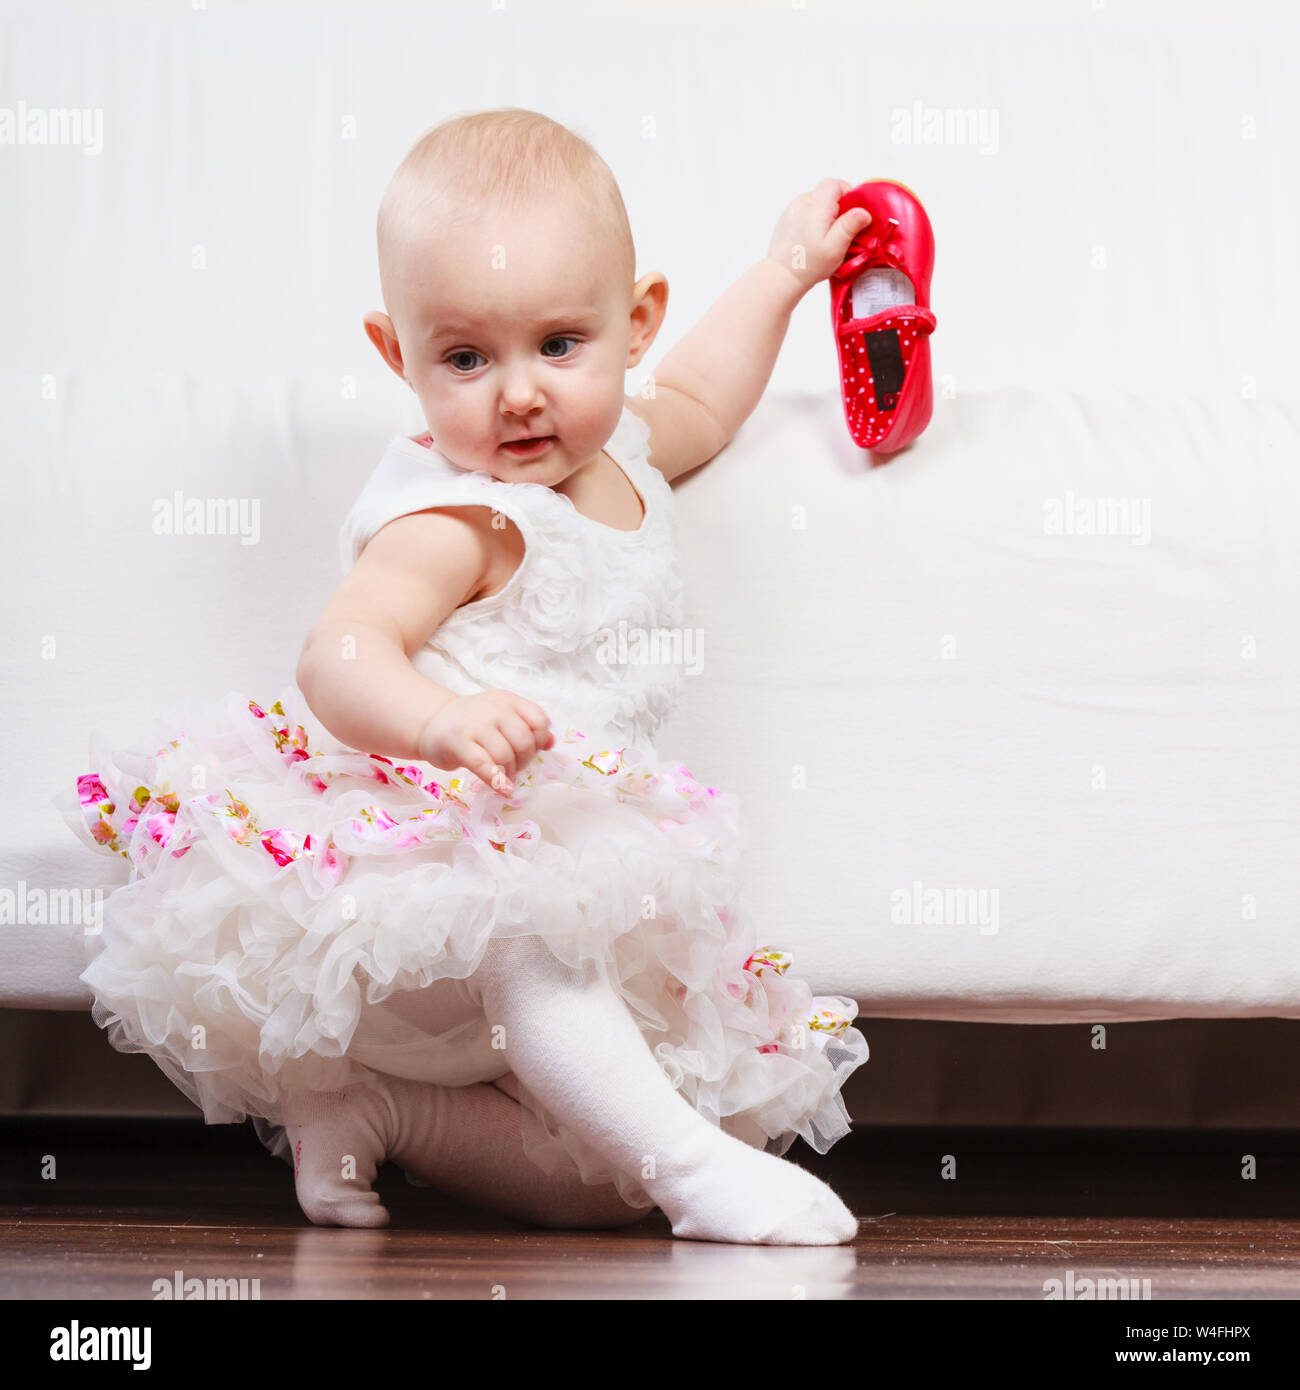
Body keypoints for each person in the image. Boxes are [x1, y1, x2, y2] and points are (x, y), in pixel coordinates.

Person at [57, 106, 878, 1245]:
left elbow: (700, 398)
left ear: (632, 323)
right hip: (451, 834)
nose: (520, 394)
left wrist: (785, 273)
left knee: (597, 1177)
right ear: (398, 355)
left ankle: (381, 1111)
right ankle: (694, 1172)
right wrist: (439, 722)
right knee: (540, 946)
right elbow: (337, 652)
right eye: (464, 358)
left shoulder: (625, 445)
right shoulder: (460, 513)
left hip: (584, 845)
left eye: (557, 344)